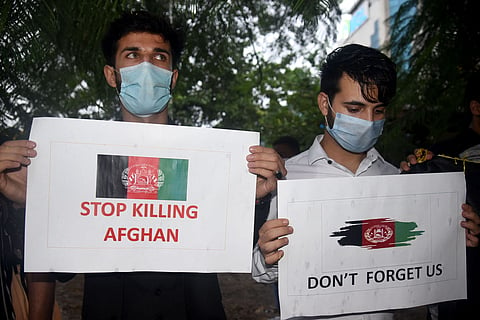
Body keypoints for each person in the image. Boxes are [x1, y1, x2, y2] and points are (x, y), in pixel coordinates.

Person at [0, 10, 285, 319]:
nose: (147, 66)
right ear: (112, 74)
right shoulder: (79, 160)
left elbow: (237, 253)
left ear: (173, 76)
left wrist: (255, 196)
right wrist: (38, 202)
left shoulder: (214, 162)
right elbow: (63, 270)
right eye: (133, 55)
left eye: (159, 57)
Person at [248, 44, 480, 319]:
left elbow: (424, 277)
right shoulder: (287, 179)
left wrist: (453, 239)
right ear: (325, 104)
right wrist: (267, 255)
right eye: (355, 108)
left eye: (378, 110)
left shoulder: (398, 181)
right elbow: (258, 271)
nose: (369, 121)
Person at [401, 72, 480, 320]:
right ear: (476, 107)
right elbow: (413, 222)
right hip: (459, 294)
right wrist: (408, 177)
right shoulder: (440, 156)